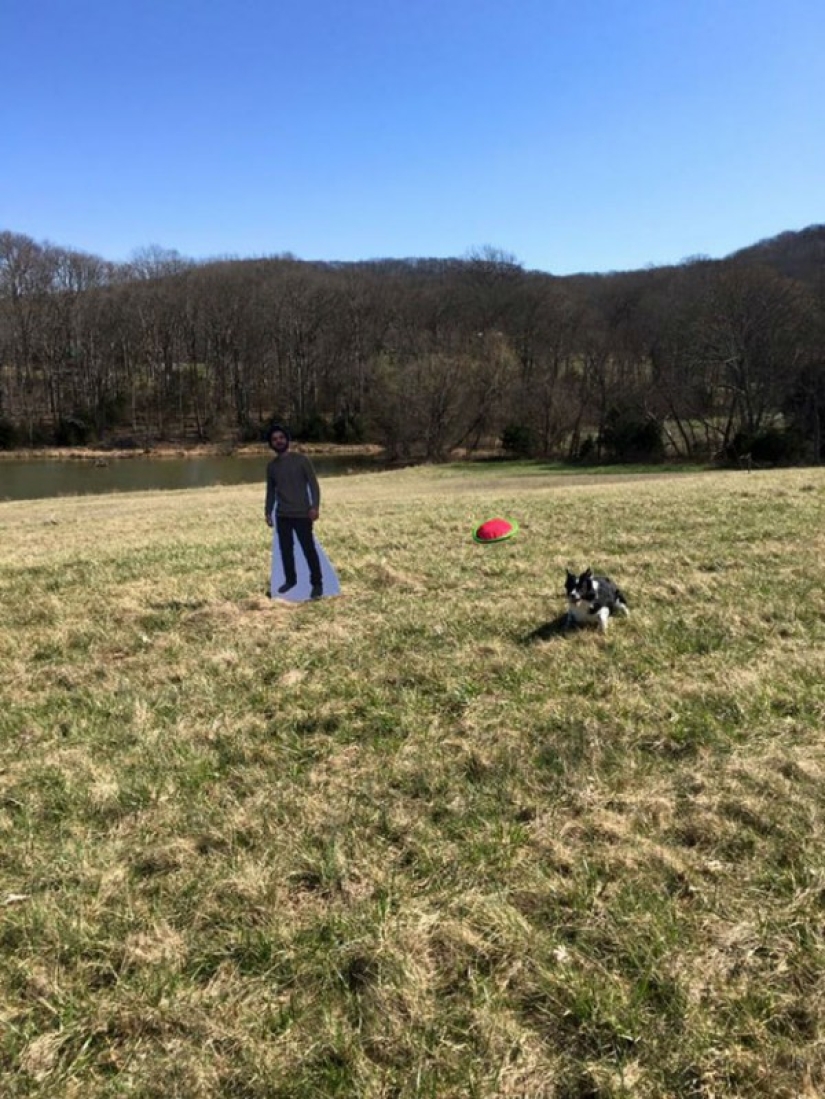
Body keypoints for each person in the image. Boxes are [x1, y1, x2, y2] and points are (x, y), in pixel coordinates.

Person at [264, 424, 323, 599]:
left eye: (281, 438)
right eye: (274, 439)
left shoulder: (302, 460)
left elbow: (314, 485)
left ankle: (317, 583)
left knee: (308, 550)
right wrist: (268, 511)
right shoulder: (272, 467)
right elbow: (271, 491)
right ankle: (290, 580)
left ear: (287, 439)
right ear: (271, 444)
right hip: (283, 516)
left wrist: (315, 507)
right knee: (286, 551)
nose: (278, 441)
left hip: (303, 514)